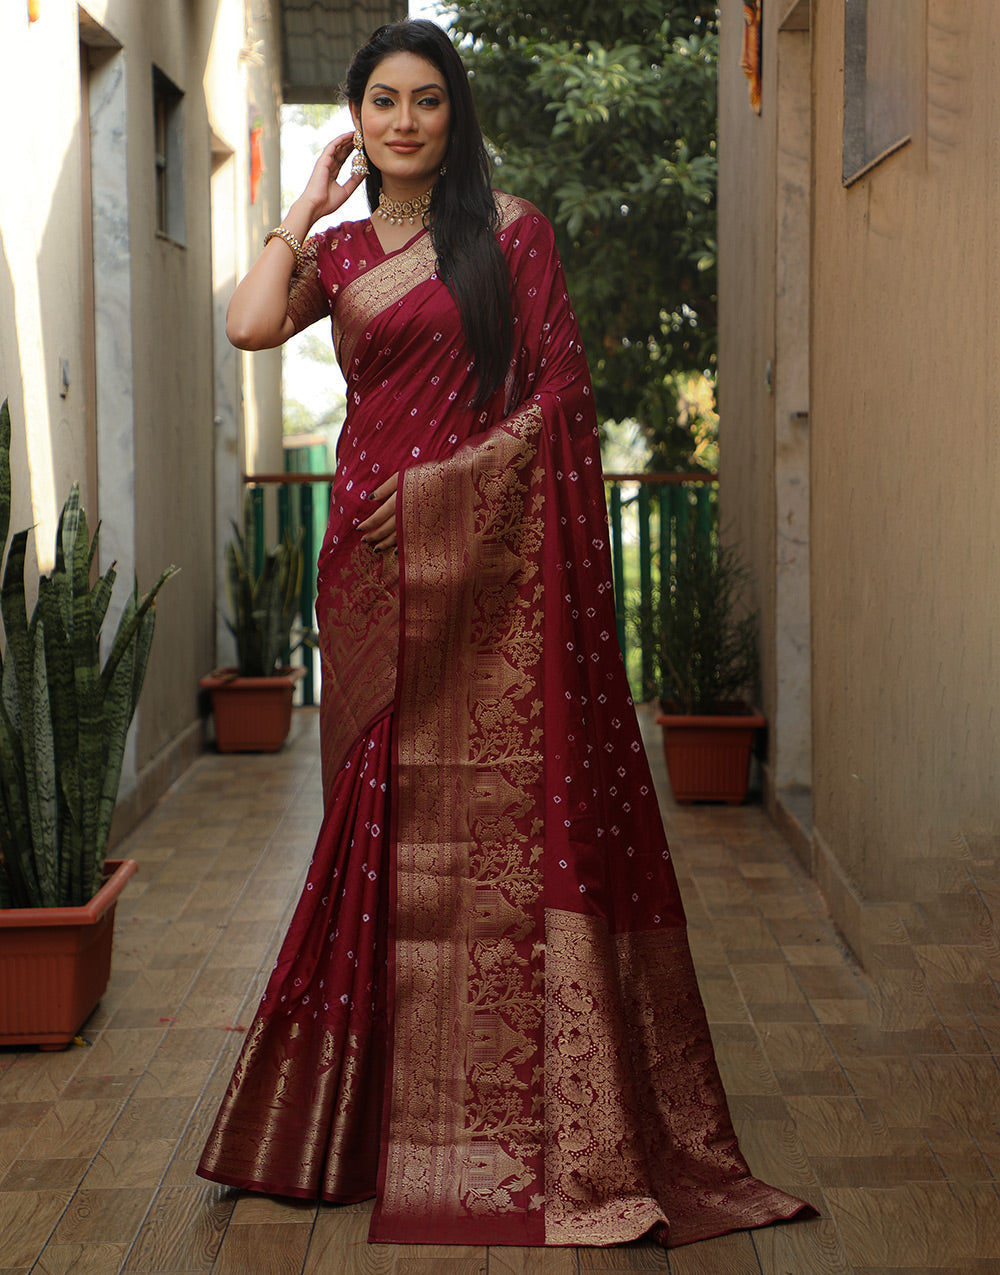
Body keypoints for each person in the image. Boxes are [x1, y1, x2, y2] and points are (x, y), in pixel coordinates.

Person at [197, 18, 814, 1249]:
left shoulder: (512, 234)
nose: (404, 122)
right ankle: (367, 1124)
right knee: (375, 835)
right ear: (359, 118)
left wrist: (437, 503)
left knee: (501, 837)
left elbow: (559, 404)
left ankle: (522, 1127)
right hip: (370, 575)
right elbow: (251, 325)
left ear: (454, 113)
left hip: (487, 576)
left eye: (427, 100)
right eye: (382, 102)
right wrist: (303, 200)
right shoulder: (335, 247)